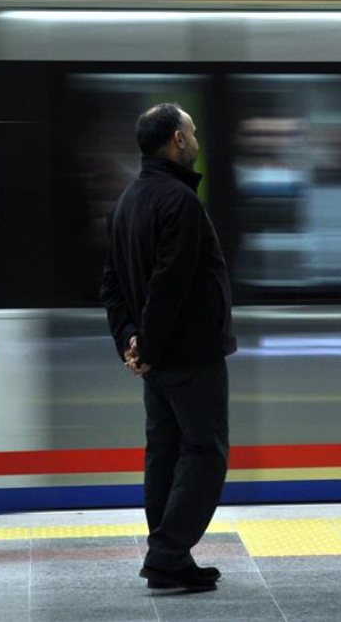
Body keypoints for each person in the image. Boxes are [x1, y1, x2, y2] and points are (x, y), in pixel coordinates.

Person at [99, 103, 237, 591]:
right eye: (192, 132)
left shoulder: (128, 200)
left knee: (164, 451)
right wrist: (149, 347)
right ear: (177, 139)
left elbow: (112, 284)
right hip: (190, 354)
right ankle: (168, 552)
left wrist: (130, 342)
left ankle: (170, 553)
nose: (196, 140)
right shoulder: (180, 202)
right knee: (205, 453)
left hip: (157, 359)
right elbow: (170, 283)